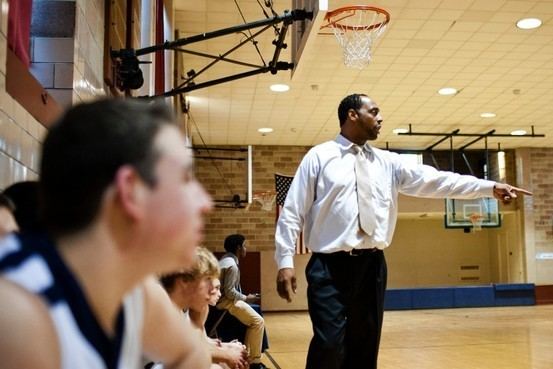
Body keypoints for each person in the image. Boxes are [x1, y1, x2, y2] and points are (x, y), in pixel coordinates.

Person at [274, 93, 533, 369]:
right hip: (328, 267)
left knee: (365, 346)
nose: (380, 117)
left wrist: (488, 188)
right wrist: (285, 261)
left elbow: (438, 181)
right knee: (329, 345)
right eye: (373, 111)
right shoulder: (320, 156)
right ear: (352, 115)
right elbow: (292, 211)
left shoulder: (388, 163)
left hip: (372, 266)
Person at [0, 98, 214, 369]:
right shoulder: (18, 317)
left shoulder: (133, 291)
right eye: (185, 179)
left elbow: (193, 354)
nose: (205, 202)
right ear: (131, 191)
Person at [158, 246, 248, 369]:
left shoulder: (186, 307)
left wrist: (225, 348)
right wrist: (226, 353)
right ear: (184, 282)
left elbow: (197, 344)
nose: (212, 289)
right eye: (207, 280)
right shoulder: (161, 307)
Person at [217, 234, 267, 369]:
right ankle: (255, 362)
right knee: (258, 321)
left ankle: (246, 356)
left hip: (220, 300)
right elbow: (229, 292)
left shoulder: (224, 259)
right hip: (224, 302)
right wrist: (246, 298)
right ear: (239, 248)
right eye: (244, 246)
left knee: (254, 317)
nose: (246, 248)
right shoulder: (232, 265)